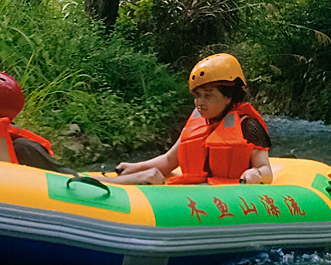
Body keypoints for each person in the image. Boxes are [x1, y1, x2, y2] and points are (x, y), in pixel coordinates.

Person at [0, 70, 162, 185]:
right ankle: (134, 177)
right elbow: (68, 179)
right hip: (33, 188)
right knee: (68, 174)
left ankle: (133, 175)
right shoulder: (22, 148)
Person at [115, 53, 272, 185]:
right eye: (197, 96)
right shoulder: (198, 121)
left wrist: (255, 174)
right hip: (194, 192)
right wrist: (135, 167)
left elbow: (266, 170)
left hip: (228, 194)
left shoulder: (249, 126)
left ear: (229, 97)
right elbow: (169, 160)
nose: (199, 103)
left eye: (208, 96)